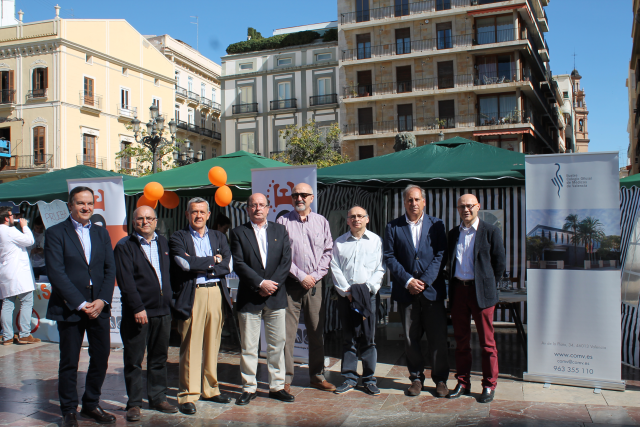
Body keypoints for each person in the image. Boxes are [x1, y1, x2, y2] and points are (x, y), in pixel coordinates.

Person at [44, 186, 116, 427]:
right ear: (70, 206)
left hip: (99, 307)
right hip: (70, 308)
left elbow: (110, 269)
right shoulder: (56, 233)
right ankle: (68, 410)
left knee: (101, 357)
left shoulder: (101, 233)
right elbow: (56, 273)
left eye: (89, 203)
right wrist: (80, 303)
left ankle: (91, 404)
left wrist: (102, 300)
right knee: (69, 361)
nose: (86, 207)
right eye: (80, 203)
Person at [383, 184, 449, 398]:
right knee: (411, 339)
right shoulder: (393, 226)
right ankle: (416, 378)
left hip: (432, 292)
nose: (413, 203)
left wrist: (425, 281)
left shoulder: (437, 225)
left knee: (438, 338)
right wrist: (409, 280)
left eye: (417, 199)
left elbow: (441, 255)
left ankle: (440, 380)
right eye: (409, 200)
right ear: (404, 202)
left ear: (424, 202)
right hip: (407, 292)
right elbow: (389, 257)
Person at [114, 206, 178, 421]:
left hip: (162, 311)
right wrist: (137, 307)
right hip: (138, 313)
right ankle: (133, 403)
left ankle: (158, 398)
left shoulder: (163, 243)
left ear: (156, 221)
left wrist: (171, 302)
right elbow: (126, 281)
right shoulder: (125, 246)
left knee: (159, 358)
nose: (145, 222)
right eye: (140, 218)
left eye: (149, 218)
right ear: (133, 222)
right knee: (134, 360)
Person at [170, 197, 233, 415]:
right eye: (194, 212)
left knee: (213, 343)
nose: (198, 215)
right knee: (191, 344)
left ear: (208, 215)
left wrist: (203, 264)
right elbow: (184, 264)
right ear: (187, 214)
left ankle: (210, 389)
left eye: (202, 212)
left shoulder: (218, 236)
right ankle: (188, 394)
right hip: (193, 294)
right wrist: (213, 260)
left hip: (215, 292)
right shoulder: (178, 236)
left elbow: (228, 265)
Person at [230, 193, 294, 405]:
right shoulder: (238, 233)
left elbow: (286, 261)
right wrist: (260, 283)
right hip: (250, 296)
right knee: (249, 346)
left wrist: (271, 285)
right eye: (253, 205)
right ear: (248, 209)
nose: (257, 208)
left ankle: (277, 386)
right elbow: (239, 263)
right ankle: (249, 387)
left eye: (261, 205)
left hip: (275, 296)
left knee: (277, 344)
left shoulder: (280, 230)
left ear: (268, 208)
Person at [446, 194, 505, 404]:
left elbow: (499, 264)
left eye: (470, 205)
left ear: (478, 207)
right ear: (457, 209)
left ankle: (489, 385)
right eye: (462, 206)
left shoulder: (490, 231)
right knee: (461, 342)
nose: (466, 209)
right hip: (458, 292)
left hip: (481, 293)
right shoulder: (453, 234)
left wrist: (487, 284)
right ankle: (463, 382)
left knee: (487, 343)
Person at [276, 182, 335, 393]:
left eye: (303, 195)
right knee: (287, 335)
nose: (299, 198)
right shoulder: (282, 221)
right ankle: (285, 379)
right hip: (291, 284)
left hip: (315, 285)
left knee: (316, 333)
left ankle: (317, 377)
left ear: (311, 198)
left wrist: (314, 277)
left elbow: (328, 251)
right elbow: (281, 254)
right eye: (295, 195)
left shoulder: (321, 221)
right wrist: (301, 276)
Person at [330, 205, 385, 395]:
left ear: (367, 219)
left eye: (360, 216)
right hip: (346, 297)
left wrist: (366, 290)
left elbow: (380, 268)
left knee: (368, 338)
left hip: (368, 297)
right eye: (352, 216)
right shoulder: (339, 242)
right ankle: (349, 378)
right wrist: (347, 291)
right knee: (349, 338)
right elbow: (335, 268)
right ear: (347, 220)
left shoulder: (376, 241)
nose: (356, 219)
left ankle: (369, 379)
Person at [0, 207, 40, 345]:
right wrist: (25, 227)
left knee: (7, 304)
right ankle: (24, 334)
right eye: (12, 215)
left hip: (5, 271)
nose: (15, 217)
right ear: (7, 218)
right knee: (26, 301)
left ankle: (7, 336)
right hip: (18, 273)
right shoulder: (10, 230)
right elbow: (29, 241)